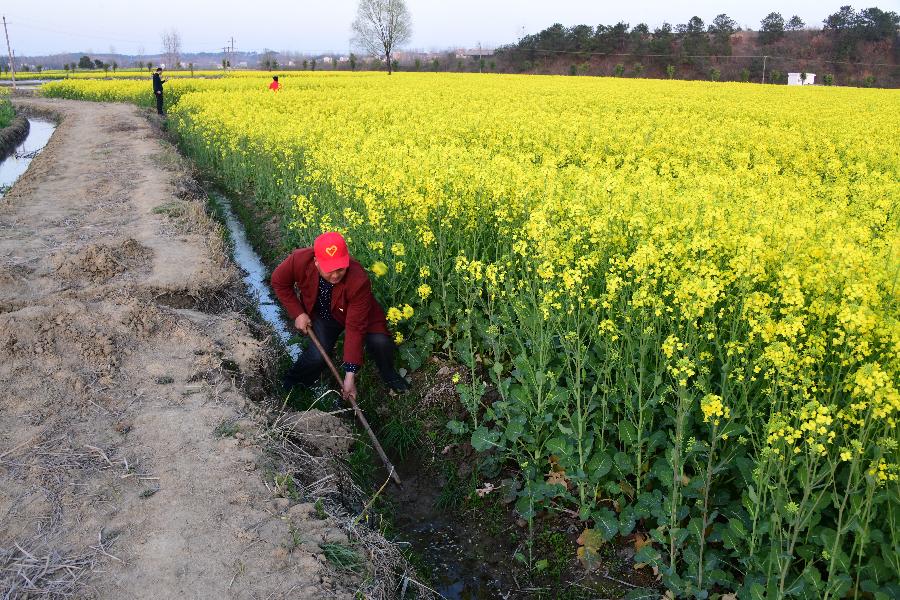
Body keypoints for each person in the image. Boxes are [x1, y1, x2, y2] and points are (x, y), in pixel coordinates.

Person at [271, 232, 410, 401]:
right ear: (316, 262)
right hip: (324, 316)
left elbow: (355, 327)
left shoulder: (358, 279)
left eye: (340, 268)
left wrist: (349, 375)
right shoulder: (299, 260)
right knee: (317, 357)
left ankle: (388, 373)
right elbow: (279, 281)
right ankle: (292, 385)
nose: (335, 275)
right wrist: (298, 313)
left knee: (380, 342)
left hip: (360, 314)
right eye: (329, 270)